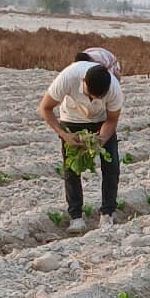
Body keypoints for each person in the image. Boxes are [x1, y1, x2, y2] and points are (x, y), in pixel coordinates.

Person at [38, 60, 124, 232]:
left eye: (97, 98)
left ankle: (107, 213)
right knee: (72, 168)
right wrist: (64, 134)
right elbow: (45, 108)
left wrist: (101, 139)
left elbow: (112, 119)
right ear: (83, 81)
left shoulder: (114, 89)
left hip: (100, 122)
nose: (92, 100)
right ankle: (76, 217)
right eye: (90, 95)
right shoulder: (68, 77)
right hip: (72, 120)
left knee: (111, 165)